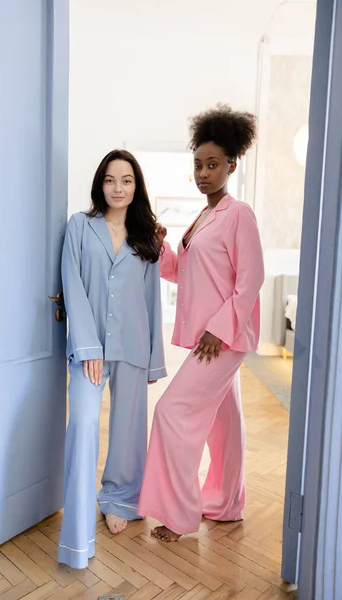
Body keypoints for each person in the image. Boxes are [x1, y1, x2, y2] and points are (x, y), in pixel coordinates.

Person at [138, 104, 265, 542]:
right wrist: (162, 249)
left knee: (172, 412)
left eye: (213, 165)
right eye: (198, 165)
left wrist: (220, 327)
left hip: (222, 339)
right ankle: (227, 504)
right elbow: (183, 273)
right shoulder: (202, 218)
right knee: (224, 424)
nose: (203, 173)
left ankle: (177, 514)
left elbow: (251, 280)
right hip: (212, 337)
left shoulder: (239, 214)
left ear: (231, 164)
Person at [57, 149, 167, 569]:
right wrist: (87, 346)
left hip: (134, 345)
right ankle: (80, 518)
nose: (117, 188)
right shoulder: (79, 228)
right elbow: (73, 285)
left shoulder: (147, 237)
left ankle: (119, 498)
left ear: (136, 186)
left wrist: (155, 360)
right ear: (99, 184)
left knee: (128, 430)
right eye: (110, 179)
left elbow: (151, 299)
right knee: (84, 423)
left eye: (126, 180)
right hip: (89, 349)